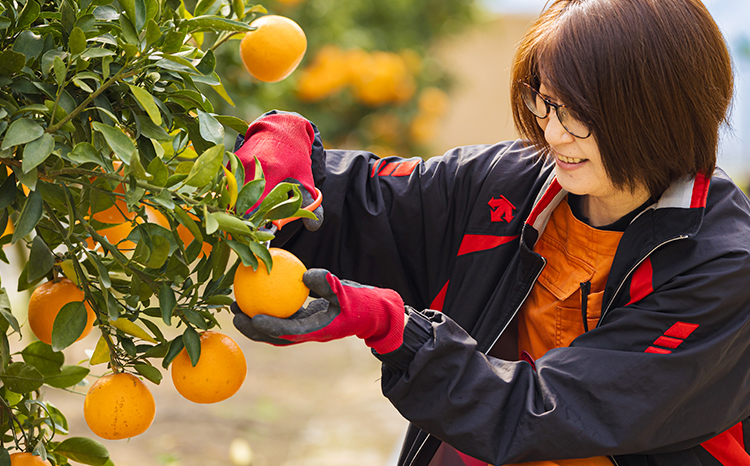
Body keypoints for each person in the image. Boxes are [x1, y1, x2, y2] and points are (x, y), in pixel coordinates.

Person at [230, 0, 750, 464]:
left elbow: (548, 411)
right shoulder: (511, 184)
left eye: (577, 116)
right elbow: (370, 204)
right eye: (545, 102)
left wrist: (393, 328)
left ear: (656, 113)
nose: (551, 133)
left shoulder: (721, 265)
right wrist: (283, 154)